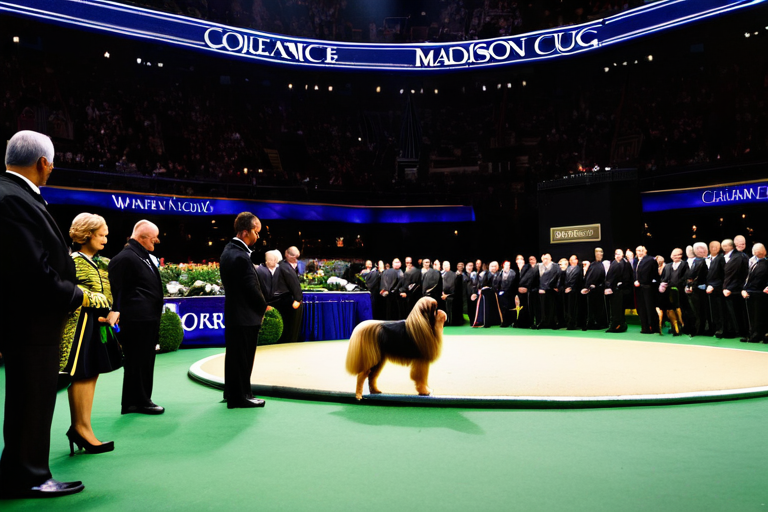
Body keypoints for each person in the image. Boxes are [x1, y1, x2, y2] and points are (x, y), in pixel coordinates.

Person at [0, 130, 86, 498]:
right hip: (32, 319)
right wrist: (75, 293)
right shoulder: (14, 199)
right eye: (51, 165)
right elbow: (33, 270)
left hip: (29, 318)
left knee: (27, 395)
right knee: (32, 396)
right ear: (42, 163)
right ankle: (28, 475)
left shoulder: (13, 194)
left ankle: (20, 470)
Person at [61, 213, 122, 455]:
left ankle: (82, 428)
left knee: (91, 374)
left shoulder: (96, 262)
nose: (106, 238)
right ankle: (80, 428)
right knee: (82, 375)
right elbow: (67, 292)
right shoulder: (73, 261)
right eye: (101, 234)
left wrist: (112, 309)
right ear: (87, 235)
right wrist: (97, 301)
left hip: (96, 326)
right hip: (79, 327)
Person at [108, 219, 165, 415]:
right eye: (154, 238)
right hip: (136, 321)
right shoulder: (125, 258)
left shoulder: (141, 255)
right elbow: (117, 291)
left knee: (144, 361)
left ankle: (138, 400)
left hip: (146, 320)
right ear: (142, 238)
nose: (156, 242)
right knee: (137, 362)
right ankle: (138, 401)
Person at [220, 212, 269, 408]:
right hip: (244, 316)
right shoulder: (239, 255)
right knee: (242, 358)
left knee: (235, 357)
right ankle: (241, 396)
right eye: (256, 232)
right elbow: (250, 288)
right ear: (245, 232)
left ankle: (233, 393)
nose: (258, 237)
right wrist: (263, 308)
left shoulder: (230, 251)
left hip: (237, 315)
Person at [274, 246, 303, 343]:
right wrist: (298, 299)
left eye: (297, 257)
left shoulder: (284, 266)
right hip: (288, 301)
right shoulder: (285, 267)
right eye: (294, 257)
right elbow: (294, 285)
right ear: (287, 254)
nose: (296, 259)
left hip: (287, 300)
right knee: (290, 329)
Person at [721, 239, 749, 338]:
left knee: (738, 312)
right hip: (731, 289)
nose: (741, 245)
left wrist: (728, 288)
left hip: (736, 289)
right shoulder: (733, 256)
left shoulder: (740, 257)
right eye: (739, 243)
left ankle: (741, 331)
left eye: (743, 243)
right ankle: (737, 330)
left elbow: (737, 275)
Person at [741, 243, 768, 344]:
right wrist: (744, 289)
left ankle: (756, 336)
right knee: (752, 316)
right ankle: (753, 334)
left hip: (759, 293)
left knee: (758, 316)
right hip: (751, 292)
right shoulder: (753, 263)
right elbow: (748, 279)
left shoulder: (764, 264)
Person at [658, 248, 688, 336]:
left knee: (681, 309)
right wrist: (663, 284)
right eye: (674, 255)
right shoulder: (667, 266)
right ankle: (674, 327)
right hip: (668, 292)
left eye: (678, 255)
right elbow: (664, 278)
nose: (676, 257)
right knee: (670, 310)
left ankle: (683, 326)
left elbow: (685, 277)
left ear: (681, 255)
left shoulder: (684, 265)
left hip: (681, 292)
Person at [683, 243, 709, 336]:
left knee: (702, 311)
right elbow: (686, 277)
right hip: (692, 291)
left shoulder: (704, 261)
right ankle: (695, 329)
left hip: (702, 290)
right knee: (693, 311)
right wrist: (687, 286)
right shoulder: (689, 262)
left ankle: (702, 330)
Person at [634, 246, 658, 334]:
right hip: (638, 288)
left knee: (649, 308)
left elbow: (654, 274)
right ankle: (644, 327)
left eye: (642, 250)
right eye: (638, 251)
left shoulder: (650, 260)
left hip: (647, 287)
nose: (640, 252)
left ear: (646, 251)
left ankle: (652, 327)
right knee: (641, 308)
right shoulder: (636, 261)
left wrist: (642, 282)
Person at [605, 249, 630, 333]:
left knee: (618, 309)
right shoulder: (614, 263)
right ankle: (616, 325)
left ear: (622, 255)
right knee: (614, 309)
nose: (617, 255)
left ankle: (619, 326)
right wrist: (608, 286)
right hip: (612, 290)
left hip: (619, 291)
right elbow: (609, 277)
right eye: (616, 254)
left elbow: (627, 278)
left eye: (619, 254)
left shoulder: (625, 264)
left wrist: (619, 285)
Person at [582, 248, 607, 330]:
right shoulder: (592, 265)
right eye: (597, 252)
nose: (599, 254)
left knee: (599, 307)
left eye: (600, 252)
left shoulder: (602, 265)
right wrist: (587, 287)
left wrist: (595, 285)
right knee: (590, 307)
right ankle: (591, 322)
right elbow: (588, 277)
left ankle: (598, 323)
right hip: (591, 291)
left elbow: (603, 278)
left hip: (598, 290)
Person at [706, 241, 726, 337]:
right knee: (712, 311)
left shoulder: (721, 258)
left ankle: (721, 329)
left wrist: (714, 286)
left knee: (719, 310)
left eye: (717, 247)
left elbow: (723, 275)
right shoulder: (706, 259)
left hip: (718, 289)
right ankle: (712, 328)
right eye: (712, 247)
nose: (715, 248)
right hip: (707, 289)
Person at [473, 261, 501, 328]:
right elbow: (479, 284)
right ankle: (485, 321)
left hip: (497, 293)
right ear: (489, 267)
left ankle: (497, 321)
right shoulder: (484, 274)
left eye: (495, 266)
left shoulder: (500, 274)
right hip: (487, 293)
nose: (493, 268)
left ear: (497, 267)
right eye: (492, 266)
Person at [536, 254, 559, 329]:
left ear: (550, 258)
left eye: (547, 258)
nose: (545, 260)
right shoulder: (539, 266)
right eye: (544, 258)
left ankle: (552, 323)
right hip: (541, 290)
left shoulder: (555, 266)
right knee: (542, 307)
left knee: (551, 307)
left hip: (551, 290)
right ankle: (543, 322)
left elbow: (558, 277)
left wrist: (555, 286)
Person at [563, 255, 583, 330]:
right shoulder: (568, 269)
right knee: (569, 308)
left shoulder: (579, 269)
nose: (572, 261)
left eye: (573, 260)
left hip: (575, 291)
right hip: (568, 291)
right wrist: (566, 287)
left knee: (574, 308)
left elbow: (577, 280)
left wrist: (571, 287)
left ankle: (574, 323)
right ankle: (569, 323)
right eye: (570, 260)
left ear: (577, 260)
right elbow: (565, 279)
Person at [496, 261, 517, 327]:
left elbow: (513, 284)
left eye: (509, 265)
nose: (507, 266)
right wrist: (499, 291)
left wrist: (507, 291)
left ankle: (512, 322)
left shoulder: (513, 273)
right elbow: (496, 283)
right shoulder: (499, 273)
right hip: (501, 293)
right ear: (503, 265)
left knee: (511, 307)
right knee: (503, 308)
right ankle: (504, 321)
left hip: (510, 293)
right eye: (506, 265)